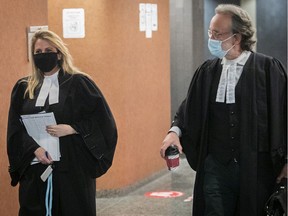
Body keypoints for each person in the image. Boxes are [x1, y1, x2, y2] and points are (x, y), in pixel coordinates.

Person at [160, 4, 287, 216]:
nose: (211, 38)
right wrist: (174, 132)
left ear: (237, 38)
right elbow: (188, 109)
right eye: (211, 32)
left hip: (257, 168)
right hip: (215, 167)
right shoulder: (207, 71)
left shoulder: (268, 69)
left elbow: (285, 116)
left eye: (217, 33)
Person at [7, 29, 118, 216]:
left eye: (48, 50)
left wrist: (73, 129)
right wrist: (34, 149)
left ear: (59, 53)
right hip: (36, 169)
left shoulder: (79, 83)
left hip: (72, 170)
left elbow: (103, 123)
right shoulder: (24, 88)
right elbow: (15, 129)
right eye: (38, 52)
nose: (43, 55)